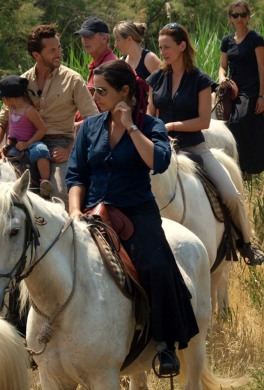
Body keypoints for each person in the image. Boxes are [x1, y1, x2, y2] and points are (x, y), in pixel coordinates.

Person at [65, 60, 199, 376]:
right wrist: (73, 211)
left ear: (124, 91)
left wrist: (131, 127)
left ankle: (165, 344)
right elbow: (76, 175)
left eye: (102, 91)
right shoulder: (89, 126)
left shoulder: (150, 126)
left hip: (137, 212)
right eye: (93, 90)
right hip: (91, 212)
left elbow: (159, 162)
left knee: (156, 265)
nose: (95, 96)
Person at [147, 22, 264, 266]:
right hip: (161, 149)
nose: (163, 52)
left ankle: (245, 243)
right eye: (160, 47)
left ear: (182, 46)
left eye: (167, 47)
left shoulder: (200, 79)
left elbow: (203, 121)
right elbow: (151, 114)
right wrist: (156, 131)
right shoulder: (156, 78)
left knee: (231, 194)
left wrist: (171, 127)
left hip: (194, 148)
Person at [0, 24, 99, 202]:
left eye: (59, 48)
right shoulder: (23, 81)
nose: (58, 53)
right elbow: (1, 120)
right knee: (4, 193)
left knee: (59, 194)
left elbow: (92, 119)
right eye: (52, 50)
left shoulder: (73, 79)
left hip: (60, 145)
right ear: (36, 55)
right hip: (24, 145)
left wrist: (70, 150)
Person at [218, 0, 264, 176]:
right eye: (235, 15)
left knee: (238, 121)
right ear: (230, 18)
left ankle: (245, 168)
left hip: (251, 87)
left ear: (248, 17)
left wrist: (261, 96)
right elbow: (222, 66)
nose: (239, 18)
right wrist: (222, 78)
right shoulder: (226, 40)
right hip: (232, 85)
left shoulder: (256, 39)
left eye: (243, 15)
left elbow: (261, 68)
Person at [0, 75, 54, 198]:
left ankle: (45, 181)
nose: (2, 102)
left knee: (40, 151)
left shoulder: (29, 110)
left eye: (1, 99)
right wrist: (8, 144)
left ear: (9, 99)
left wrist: (28, 143)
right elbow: (12, 130)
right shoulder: (11, 109)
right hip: (16, 143)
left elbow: (42, 129)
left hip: (30, 142)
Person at [74, 17, 118, 92]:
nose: (85, 40)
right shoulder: (99, 63)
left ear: (104, 38)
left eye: (89, 36)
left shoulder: (110, 66)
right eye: (83, 36)